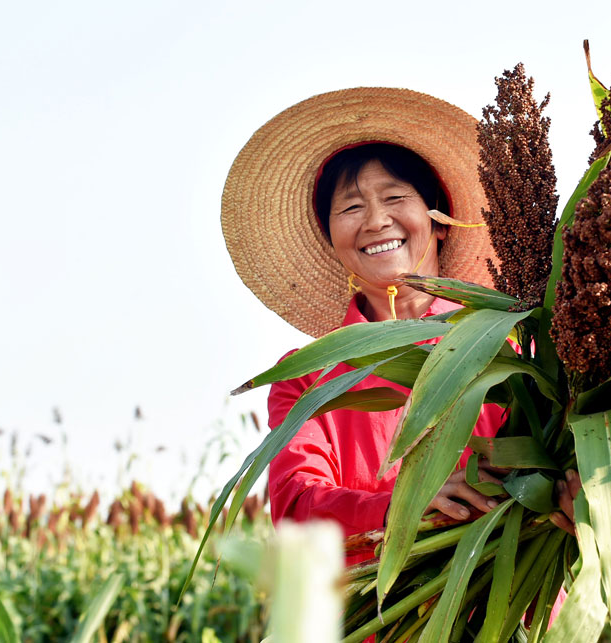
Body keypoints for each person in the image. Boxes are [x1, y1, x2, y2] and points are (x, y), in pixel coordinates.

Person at [221, 88, 523, 566]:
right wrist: (404, 505)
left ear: (441, 221)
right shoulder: (307, 379)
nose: (377, 221)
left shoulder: (510, 347)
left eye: (395, 197)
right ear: (331, 238)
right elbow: (298, 505)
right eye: (351, 208)